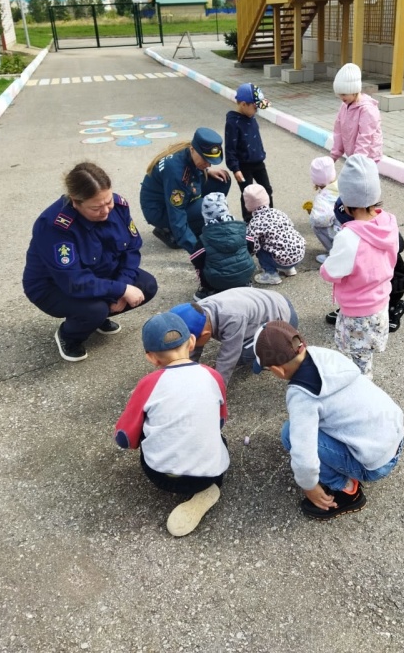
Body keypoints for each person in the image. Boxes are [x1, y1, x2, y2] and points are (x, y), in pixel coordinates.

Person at [253, 320, 404, 521]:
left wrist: (310, 487)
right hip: (394, 438)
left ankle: (347, 491)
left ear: (278, 370)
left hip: (376, 464)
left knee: (290, 433)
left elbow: (303, 456)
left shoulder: (302, 395)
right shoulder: (324, 356)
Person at [23, 162, 158, 363]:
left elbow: (131, 248)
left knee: (147, 286)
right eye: (96, 207)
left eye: (108, 202)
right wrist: (120, 290)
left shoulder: (119, 206)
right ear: (76, 203)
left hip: (99, 274)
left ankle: (95, 318)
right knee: (94, 309)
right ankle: (69, 335)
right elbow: (74, 281)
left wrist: (124, 284)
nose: (105, 211)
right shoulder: (55, 226)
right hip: (54, 286)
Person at [114, 313, 229, 537]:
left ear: (151, 358)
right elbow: (220, 421)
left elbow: (124, 438)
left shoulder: (148, 384)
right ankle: (207, 488)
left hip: (161, 476)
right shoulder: (213, 375)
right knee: (218, 438)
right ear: (193, 342)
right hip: (209, 474)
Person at [320, 155, 399, 378]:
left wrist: (324, 269)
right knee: (365, 354)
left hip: (358, 312)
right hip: (380, 302)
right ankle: (364, 382)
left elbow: (333, 271)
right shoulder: (388, 223)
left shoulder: (349, 236)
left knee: (356, 360)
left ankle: (360, 395)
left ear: (345, 202)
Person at [169, 287, 298, 385]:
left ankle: (268, 356)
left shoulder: (232, 319)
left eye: (191, 343)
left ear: (206, 334)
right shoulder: (198, 310)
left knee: (240, 355)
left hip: (284, 318)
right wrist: (186, 369)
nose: (190, 347)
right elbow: (194, 346)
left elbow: (228, 358)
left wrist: (215, 388)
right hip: (269, 299)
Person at [139, 127, 231, 254]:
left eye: (211, 161)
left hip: (172, 196)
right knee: (207, 204)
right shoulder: (176, 172)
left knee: (222, 180)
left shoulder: (189, 149)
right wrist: (197, 252)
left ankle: (198, 225)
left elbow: (191, 168)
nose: (208, 164)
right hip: (159, 210)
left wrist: (207, 171)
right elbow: (176, 213)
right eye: (205, 160)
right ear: (193, 150)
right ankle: (170, 232)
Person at [325, 197, 404, 333]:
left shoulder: (381, 229)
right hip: (365, 289)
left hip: (391, 278)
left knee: (390, 292)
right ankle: (351, 310)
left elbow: (330, 271)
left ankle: (394, 309)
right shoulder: (382, 222)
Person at [189, 192, 256, 300]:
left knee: (200, 266)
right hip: (244, 275)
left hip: (217, 281)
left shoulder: (204, 238)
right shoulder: (241, 229)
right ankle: (245, 283)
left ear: (205, 214)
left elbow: (195, 259)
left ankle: (208, 290)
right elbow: (252, 245)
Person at [224, 82, 273, 222]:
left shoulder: (251, 117)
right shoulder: (233, 123)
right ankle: (249, 221)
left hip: (258, 162)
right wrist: (235, 168)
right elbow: (230, 148)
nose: (257, 110)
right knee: (248, 193)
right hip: (243, 165)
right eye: (255, 107)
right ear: (243, 104)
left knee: (267, 190)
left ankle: (269, 218)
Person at [244, 184, 306, 286]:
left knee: (260, 249)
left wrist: (248, 255)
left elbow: (253, 245)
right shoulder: (278, 212)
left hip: (281, 259)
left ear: (248, 205)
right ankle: (290, 269)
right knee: (282, 240)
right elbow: (291, 227)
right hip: (299, 254)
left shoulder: (255, 222)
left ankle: (271, 274)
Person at [330, 63, 383, 163]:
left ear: (354, 90)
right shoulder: (344, 106)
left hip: (368, 158)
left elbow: (365, 137)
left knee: (363, 179)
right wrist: (333, 156)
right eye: (339, 95)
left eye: (344, 94)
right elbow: (339, 132)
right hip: (355, 156)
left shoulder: (367, 109)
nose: (341, 98)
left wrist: (357, 161)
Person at [305, 156, 341, 265]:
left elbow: (319, 220)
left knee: (316, 226)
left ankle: (334, 254)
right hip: (352, 230)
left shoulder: (323, 197)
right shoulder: (343, 185)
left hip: (339, 232)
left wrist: (312, 213)